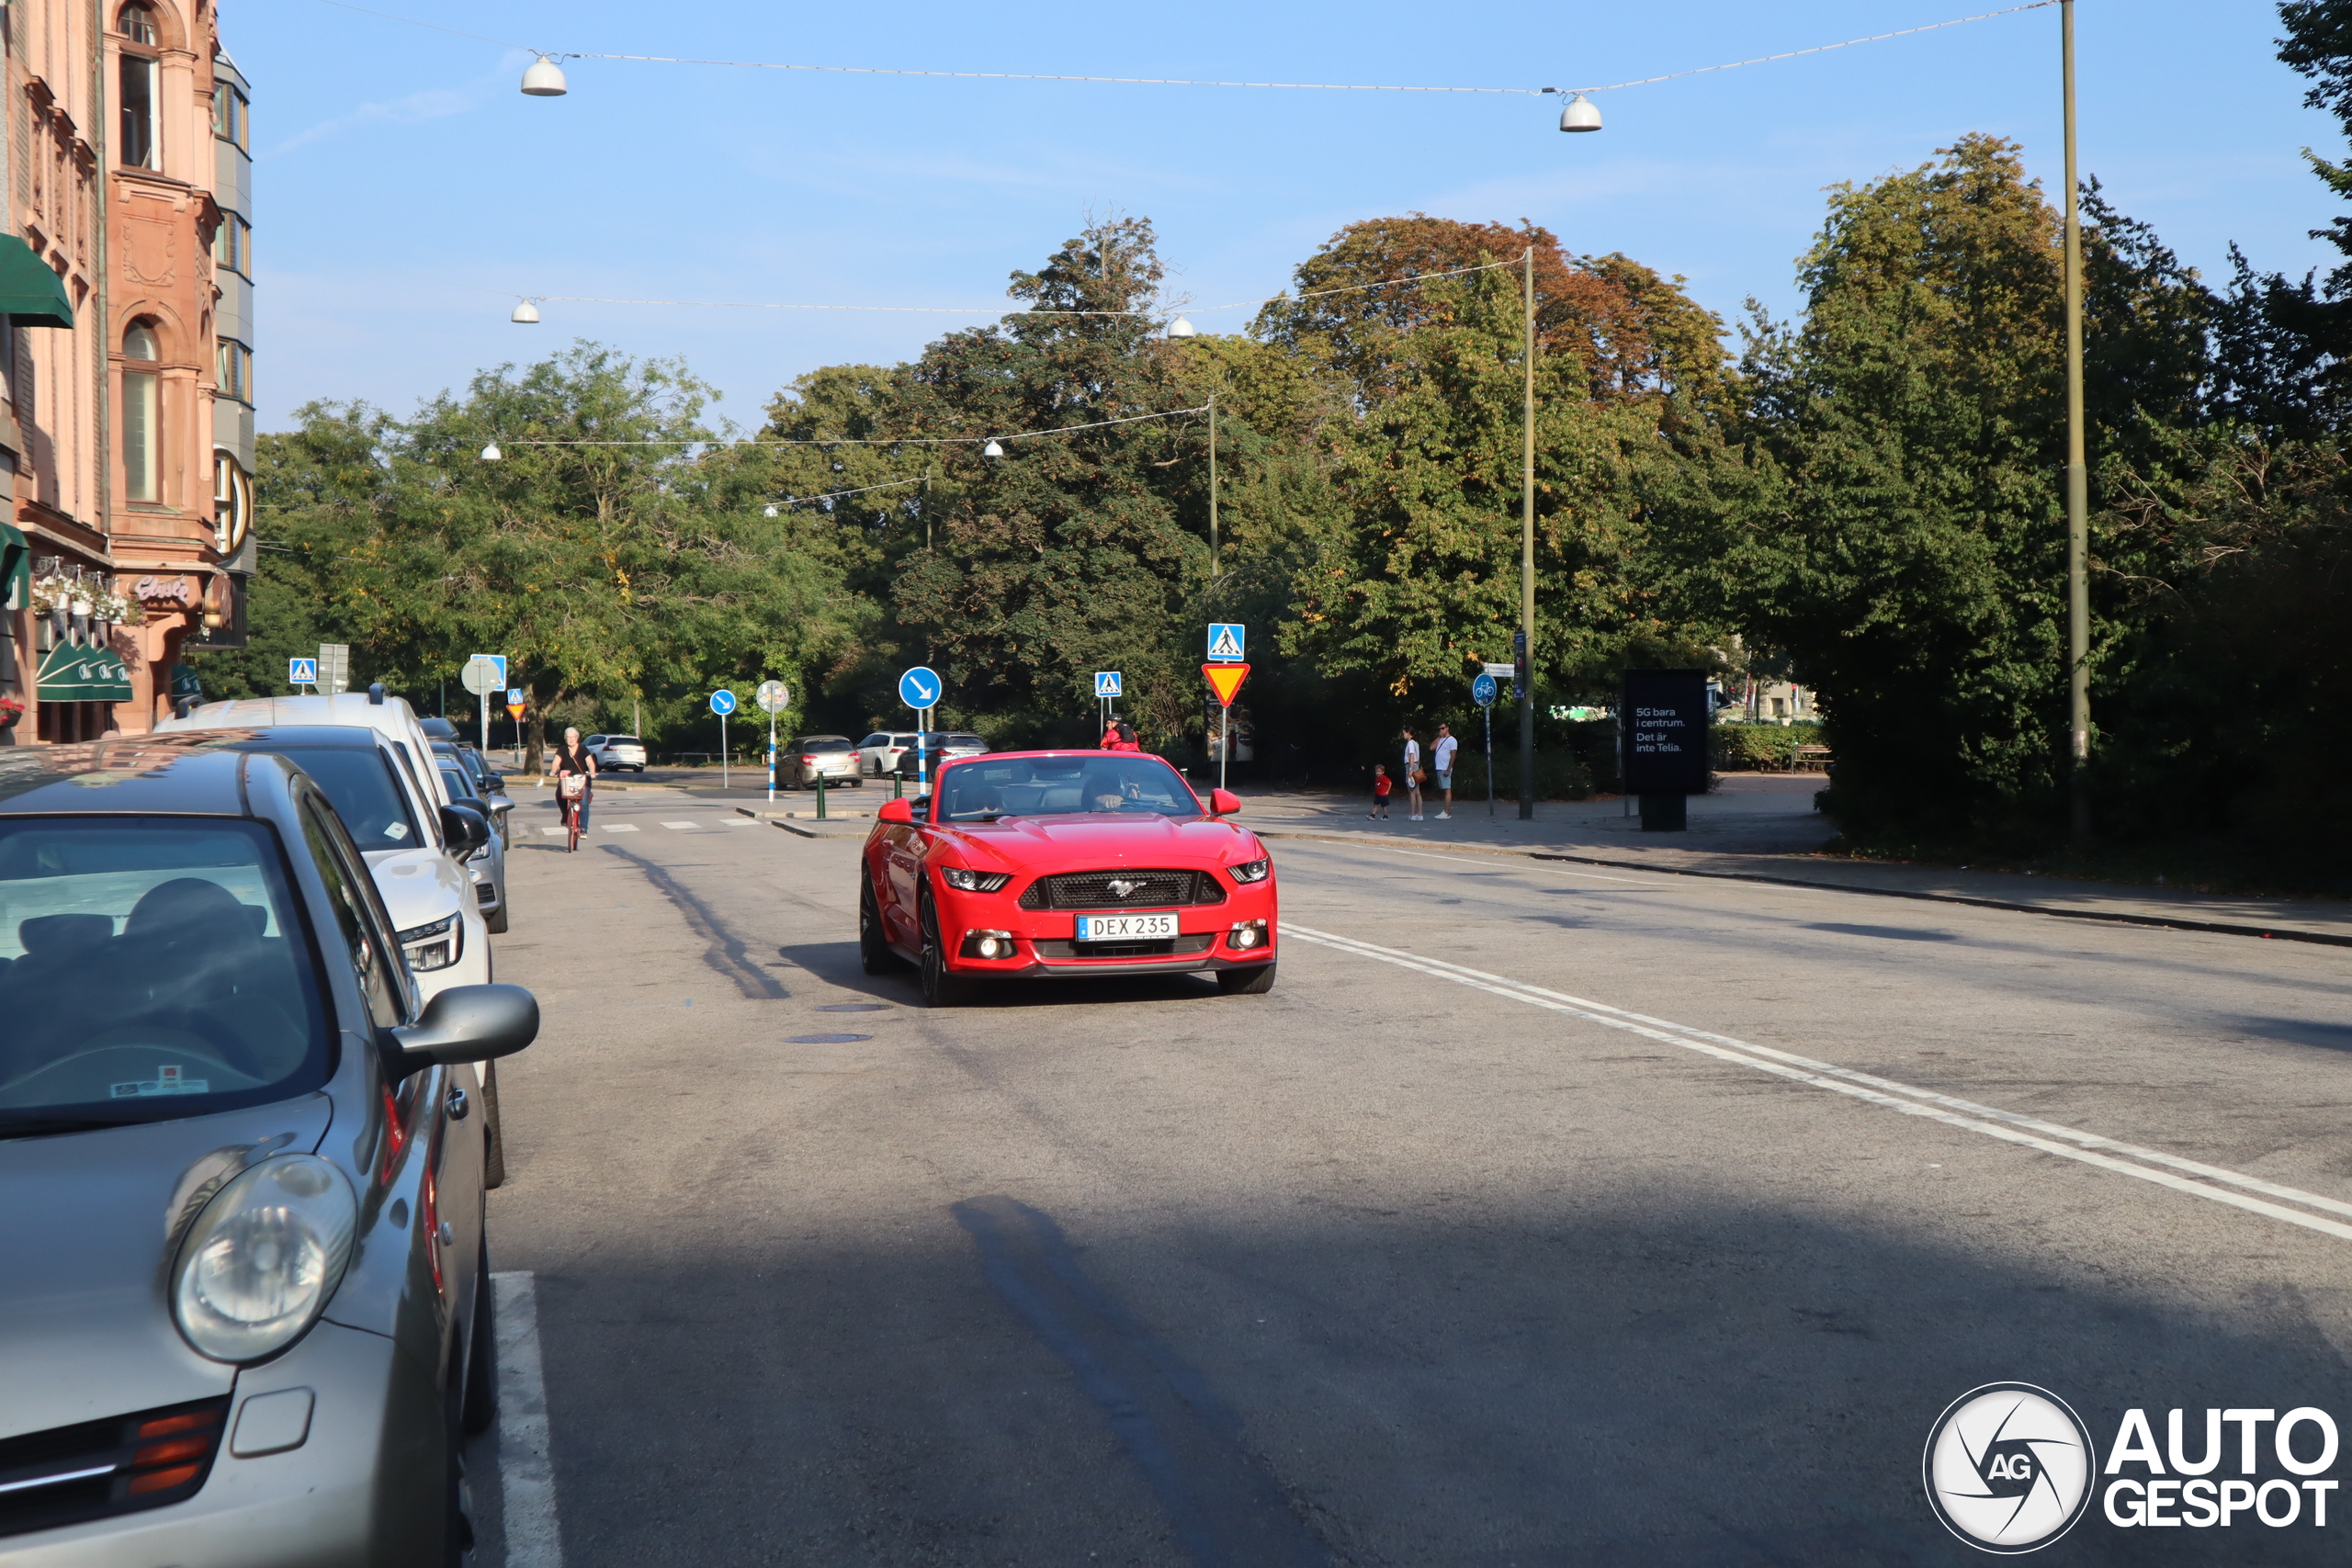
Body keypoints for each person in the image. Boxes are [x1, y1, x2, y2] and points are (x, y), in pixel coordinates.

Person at [552, 725, 598, 850]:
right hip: (566, 780)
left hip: (582, 780)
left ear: (577, 738)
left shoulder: (583, 749)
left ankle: (583, 829)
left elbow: (590, 762)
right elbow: (556, 762)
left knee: (583, 804)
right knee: (559, 794)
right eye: (568, 737)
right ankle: (565, 814)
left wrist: (592, 771)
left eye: (573, 737)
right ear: (565, 738)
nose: (571, 739)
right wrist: (553, 770)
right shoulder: (562, 749)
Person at [1432, 722, 1458, 820]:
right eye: (1439, 729)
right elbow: (1432, 747)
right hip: (1439, 767)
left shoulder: (1452, 740)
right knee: (1444, 789)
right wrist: (1439, 737)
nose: (1441, 730)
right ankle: (1446, 811)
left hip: (1445, 767)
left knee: (1447, 789)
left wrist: (1448, 769)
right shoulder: (1441, 739)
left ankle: (1447, 812)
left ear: (1448, 728)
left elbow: (1453, 755)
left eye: (1443, 728)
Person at [1401, 727, 1423, 821]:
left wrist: (1410, 769)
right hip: (1416, 766)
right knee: (1417, 792)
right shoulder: (1416, 743)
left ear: (1408, 733)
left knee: (1412, 792)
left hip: (1410, 766)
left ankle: (1412, 814)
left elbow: (1412, 755)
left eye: (1404, 733)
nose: (1403, 735)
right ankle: (1420, 814)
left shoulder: (1410, 743)